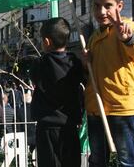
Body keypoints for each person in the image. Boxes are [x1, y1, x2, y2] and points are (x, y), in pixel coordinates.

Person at [85, 0, 134, 167]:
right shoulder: (94, 37)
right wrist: (85, 61)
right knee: (97, 161)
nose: (101, 12)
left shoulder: (127, 27)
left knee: (128, 162)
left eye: (108, 6)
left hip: (123, 109)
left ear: (119, 6)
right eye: (97, 6)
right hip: (97, 110)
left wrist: (127, 38)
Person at [30, 17, 85, 167]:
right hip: (69, 125)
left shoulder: (40, 64)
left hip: (47, 126)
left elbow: (34, 78)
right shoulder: (75, 63)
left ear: (47, 42)